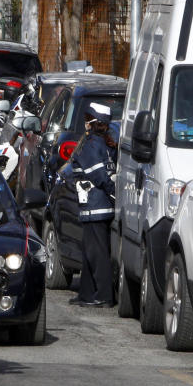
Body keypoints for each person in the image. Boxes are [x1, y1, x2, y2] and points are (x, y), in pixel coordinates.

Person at [63, 102, 117, 307]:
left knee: (97, 253)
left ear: (94, 123)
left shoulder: (92, 145)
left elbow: (99, 175)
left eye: (87, 120)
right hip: (92, 206)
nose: (85, 123)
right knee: (88, 251)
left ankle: (104, 296)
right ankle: (86, 293)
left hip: (96, 206)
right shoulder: (101, 143)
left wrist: (112, 195)